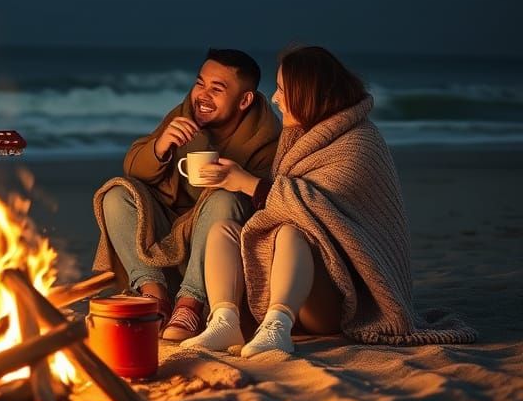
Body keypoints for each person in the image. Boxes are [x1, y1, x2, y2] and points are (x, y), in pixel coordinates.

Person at [182, 45, 476, 356]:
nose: (275, 98)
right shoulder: (301, 135)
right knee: (224, 230)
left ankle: (276, 327)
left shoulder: (359, 142)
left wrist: (249, 183)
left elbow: (316, 208)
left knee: (291, 232)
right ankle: (224, 321)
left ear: (307, 93)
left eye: (282, 89)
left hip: (338, 302)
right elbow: (290, 202)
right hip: (292, 284)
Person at [92, 48, 281, 342]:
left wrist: (237, 178)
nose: (202, 95)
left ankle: (190, 305)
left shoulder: (267, 138)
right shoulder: (184, 116)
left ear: (245, 100)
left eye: (216, 89)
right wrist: (161, 146)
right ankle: (155, 297)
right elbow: (134, 169)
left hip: (216, 259)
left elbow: (268, 210)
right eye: (199, 83)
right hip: (170, 239)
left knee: (223, 197)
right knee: (116, 193)